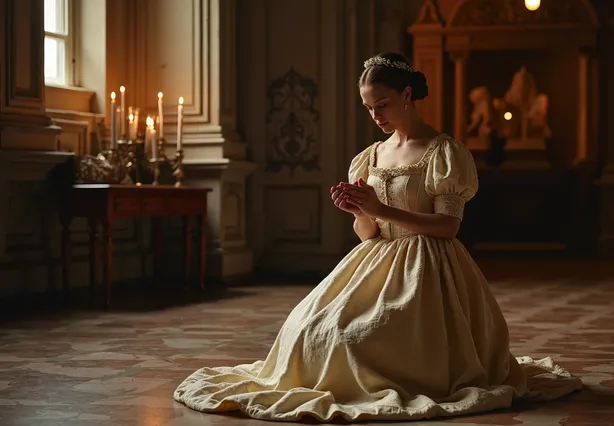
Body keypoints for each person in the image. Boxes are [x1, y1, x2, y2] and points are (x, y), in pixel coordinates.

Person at [173, 52, 583, 422]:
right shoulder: (370, 156)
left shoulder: (443, 152)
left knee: (356, 338)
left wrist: (381, 208)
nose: (376, 116)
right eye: (369, 108)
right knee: (310, 327)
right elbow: (367, 233)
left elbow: (448, 227)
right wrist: (359, 211)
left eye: (382, 105)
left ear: (407, 94)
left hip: (428, 268)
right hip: (375, 260)